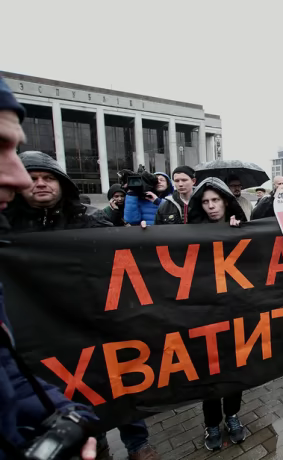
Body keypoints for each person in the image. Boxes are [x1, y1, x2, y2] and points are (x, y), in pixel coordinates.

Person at [0, 75, 99, 460]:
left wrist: (67, 416)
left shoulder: (90, 224)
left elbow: (9, 377)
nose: (26, 180)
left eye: (47, 178)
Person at [186, 177, 246, 450]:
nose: (211, 206)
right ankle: (211, 423)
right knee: (209, 372)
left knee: (234, 369)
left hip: (235, 313)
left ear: (226, 201)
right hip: (204, 315)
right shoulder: (188, 234)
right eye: (205, 201)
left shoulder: (241, 228)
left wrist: (237, 234)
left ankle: (232, 415)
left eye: (215, 200)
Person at [4, 151, 112, 232]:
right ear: (17, 187)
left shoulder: (91, 218)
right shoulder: (4, 222)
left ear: (62, 185)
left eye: (49, 178)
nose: (41, 184)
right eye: (32, 179)